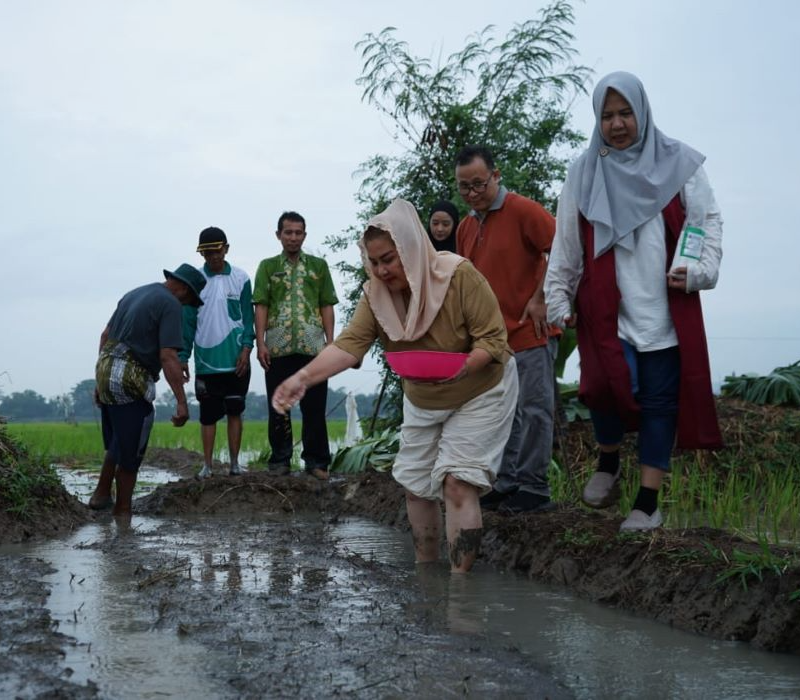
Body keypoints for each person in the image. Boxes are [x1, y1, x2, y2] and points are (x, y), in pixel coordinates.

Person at [272, 199, 517, 573]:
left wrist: (467, 365)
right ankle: (426, 576)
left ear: (412, 249)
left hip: (479, 391)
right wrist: (302, 377)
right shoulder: (376, 296)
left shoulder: (458, 276)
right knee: (415, 486)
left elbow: (493, 340)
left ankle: (461, 590)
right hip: (422, 394)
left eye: (389, 259)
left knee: (456, 483)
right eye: (374, 263)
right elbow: (349, 345)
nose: (382, 270)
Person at [544, 71, 723, 531]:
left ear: (642, 112)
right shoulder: (584, 171)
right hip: (607, 309)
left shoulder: (679, 164)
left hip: (665, 308)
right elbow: (566, 242)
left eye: (625, 113)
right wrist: (557, 296)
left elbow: (706, 224)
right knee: (601, 387)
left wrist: (699, 271)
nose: (617, 124)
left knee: (661, 403)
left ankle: (647, 502)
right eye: (607, 115)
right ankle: (608, 460)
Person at [455, 145, 560, 514]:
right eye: (464, 187)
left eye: (479, 184)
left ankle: (535, 486)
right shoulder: (466, 226)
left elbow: (561, 249)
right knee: (505, 412)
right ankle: (509, 480)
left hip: (530, 328)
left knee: (534, 409)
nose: (472, 193)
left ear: (496, 177)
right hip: (493, 340)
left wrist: (541, 296)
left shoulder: (523, 210)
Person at [88, 264, 205, 516]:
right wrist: (182, 403)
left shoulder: (134, 293)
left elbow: (105, 335)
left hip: (106, 368)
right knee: (134, 441)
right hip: (130, 374)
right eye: (189, 300)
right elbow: (168, 356)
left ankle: (101, 494)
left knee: (120, 437)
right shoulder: (171, 303)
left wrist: (100, 381)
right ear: (184, 288)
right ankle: (123, 513)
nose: (186, 306)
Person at [253, 211, 338, 478]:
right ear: (278, 235)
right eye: (288, 232)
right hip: (277, 346)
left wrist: (331, 343)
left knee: (314, 405)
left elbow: (326, 304)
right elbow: (261, 305)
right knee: (279, 403)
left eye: (298, 233)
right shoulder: (267, 267)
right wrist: (260, 343)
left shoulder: (318, 266)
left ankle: (316, 462)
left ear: (304, 235)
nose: (293, 237)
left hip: (313, 347)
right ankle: (280, 460)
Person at [179, 227, 256, 479]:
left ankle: (234, 464)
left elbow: (248, 319)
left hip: (237, 360)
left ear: (226, 249)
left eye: (217, 250)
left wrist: (247, 349)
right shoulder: (195, 282)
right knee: (208, 415)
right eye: (208, 252)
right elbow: (188, 323)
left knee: (235, 410)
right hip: (205, 361)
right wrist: (183, 357)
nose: (213, 256)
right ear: (202, 254)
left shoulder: (242, 279)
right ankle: (208, 465)